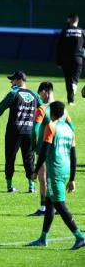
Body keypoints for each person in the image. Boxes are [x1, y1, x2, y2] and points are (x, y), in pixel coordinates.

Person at [28, 101, 84, 250]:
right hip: (65, 170)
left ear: (51, 113)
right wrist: (72, 178)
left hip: (55, 170)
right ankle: (43, 238)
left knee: (59, 204)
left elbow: (44, 151)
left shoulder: (51, 127)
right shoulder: (69, 130)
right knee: (50, 202)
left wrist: (35, 170)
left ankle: (80, 236)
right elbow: (74, 156)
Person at [0, 71, 42, 193]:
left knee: (10, 158)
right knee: (29, 158)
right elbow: (44, 110)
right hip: (29, 131)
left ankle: (10, 186)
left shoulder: (14, 93)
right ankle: (31, 186)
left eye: (13, 79)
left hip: (14, 131)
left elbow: (1, 107)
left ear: (20, 80)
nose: (11, 82)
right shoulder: (35, 95)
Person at [30, 82, 74, 216]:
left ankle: (44, 208)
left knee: (43, 178)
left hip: (45, 148)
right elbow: (71, 128)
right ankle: (57, 206)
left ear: (45, 92)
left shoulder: (42, 109)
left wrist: (33, 146)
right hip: (61, 150)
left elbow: (35, 130)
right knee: (56, 177)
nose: (40, 97)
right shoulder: (63, 109)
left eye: (40, 94)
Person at [56, 14, 85, 105]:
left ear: (70, 20)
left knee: (68, 79)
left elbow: (59, 47)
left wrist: (58, 61)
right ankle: (74, 86)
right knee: (75, 78)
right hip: (78, 59)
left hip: (66, 59)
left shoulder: (64, 31)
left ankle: (71, 100)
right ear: (77, 21)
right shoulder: (82, 32)